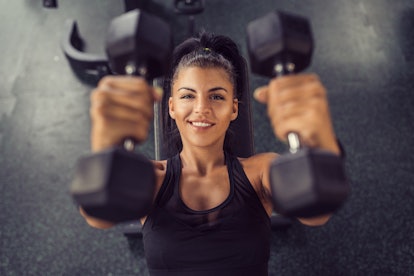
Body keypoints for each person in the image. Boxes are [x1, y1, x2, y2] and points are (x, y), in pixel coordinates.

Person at [79, 32, 342, 275]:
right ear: (171, 107)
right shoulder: (151, 177)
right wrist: (104, 148)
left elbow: (317, 215)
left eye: (216, 97)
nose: (201, 109)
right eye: (187, 96)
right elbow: (97, 218)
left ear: (234, 109)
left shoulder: (261, 171)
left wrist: (321, 140)